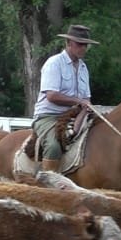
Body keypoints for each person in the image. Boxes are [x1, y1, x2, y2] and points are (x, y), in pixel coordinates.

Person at [32, 24, 99, 172]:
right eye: (79, 44)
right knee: (54, 146)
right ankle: (48, 182)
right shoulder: (54, 63)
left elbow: (86, 97)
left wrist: (85, 107)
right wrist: (79, 101)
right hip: (49, 116)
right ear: (68, 43)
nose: (83, 48)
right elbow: (52, 96)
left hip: (75, 115)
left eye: (85, 45)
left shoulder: (83, 67)